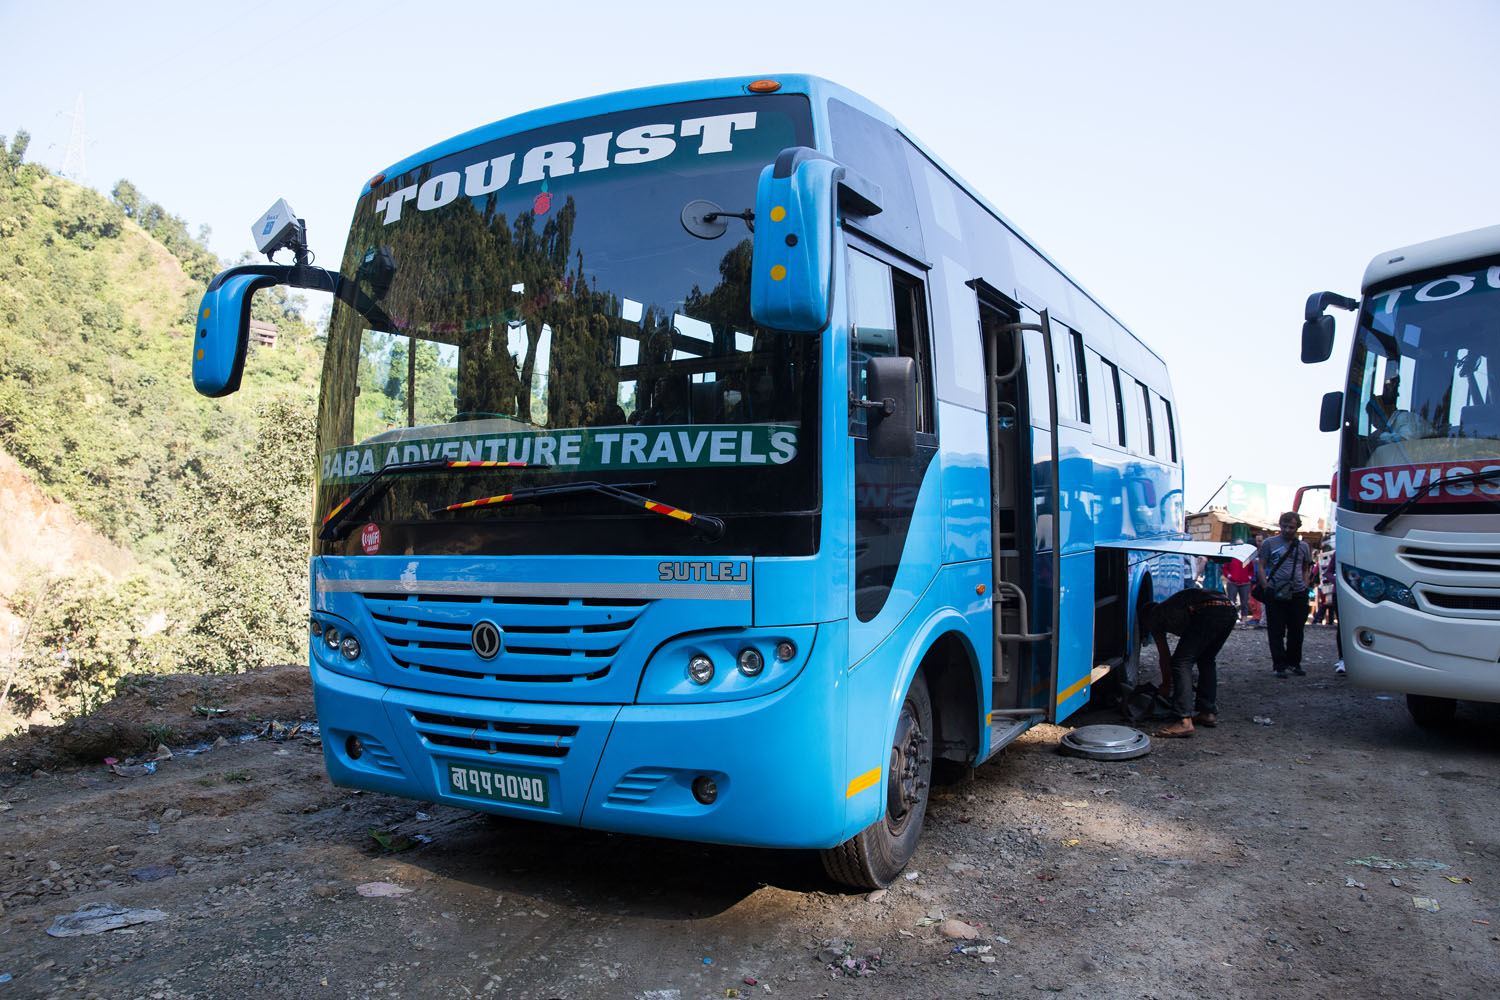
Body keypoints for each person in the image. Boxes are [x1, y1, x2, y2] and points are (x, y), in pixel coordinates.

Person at [1141, 588, 1239, 738]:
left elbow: (1165, 656)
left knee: (1181, 662)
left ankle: (1183, 720)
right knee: (1206, 659)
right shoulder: (1168, 609)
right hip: (1228, 609)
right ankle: (1207, 712)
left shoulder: (1154, 617)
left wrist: (1166, 685)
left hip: (1208, 610)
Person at [1256, 512, 1316, 678]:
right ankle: (1279, 665)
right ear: (1280, 525)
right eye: (1284, 526)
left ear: (1297, 527)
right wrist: (1265, 585)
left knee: (1297, 630)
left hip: (1297, 593)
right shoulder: (1269, 543)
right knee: (1276, 630)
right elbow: (1261, 565)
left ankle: (1294, 663)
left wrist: (1304, 585)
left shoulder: (1303, 546)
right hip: (1275, 591)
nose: (1287, 530)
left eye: (1291, 527)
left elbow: (1306, 567)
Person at [1224, 550, 1255, 623]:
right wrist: (1229, 576)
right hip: (1232, 583)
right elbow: (1225, 568)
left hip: (1245, 584)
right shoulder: (1230, 557)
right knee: (1231, 602)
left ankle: (1244, 621)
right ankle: (1231, 620)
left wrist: (1249, 577)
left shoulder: (1246, 558)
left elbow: (1251, 569)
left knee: (1244, 603)